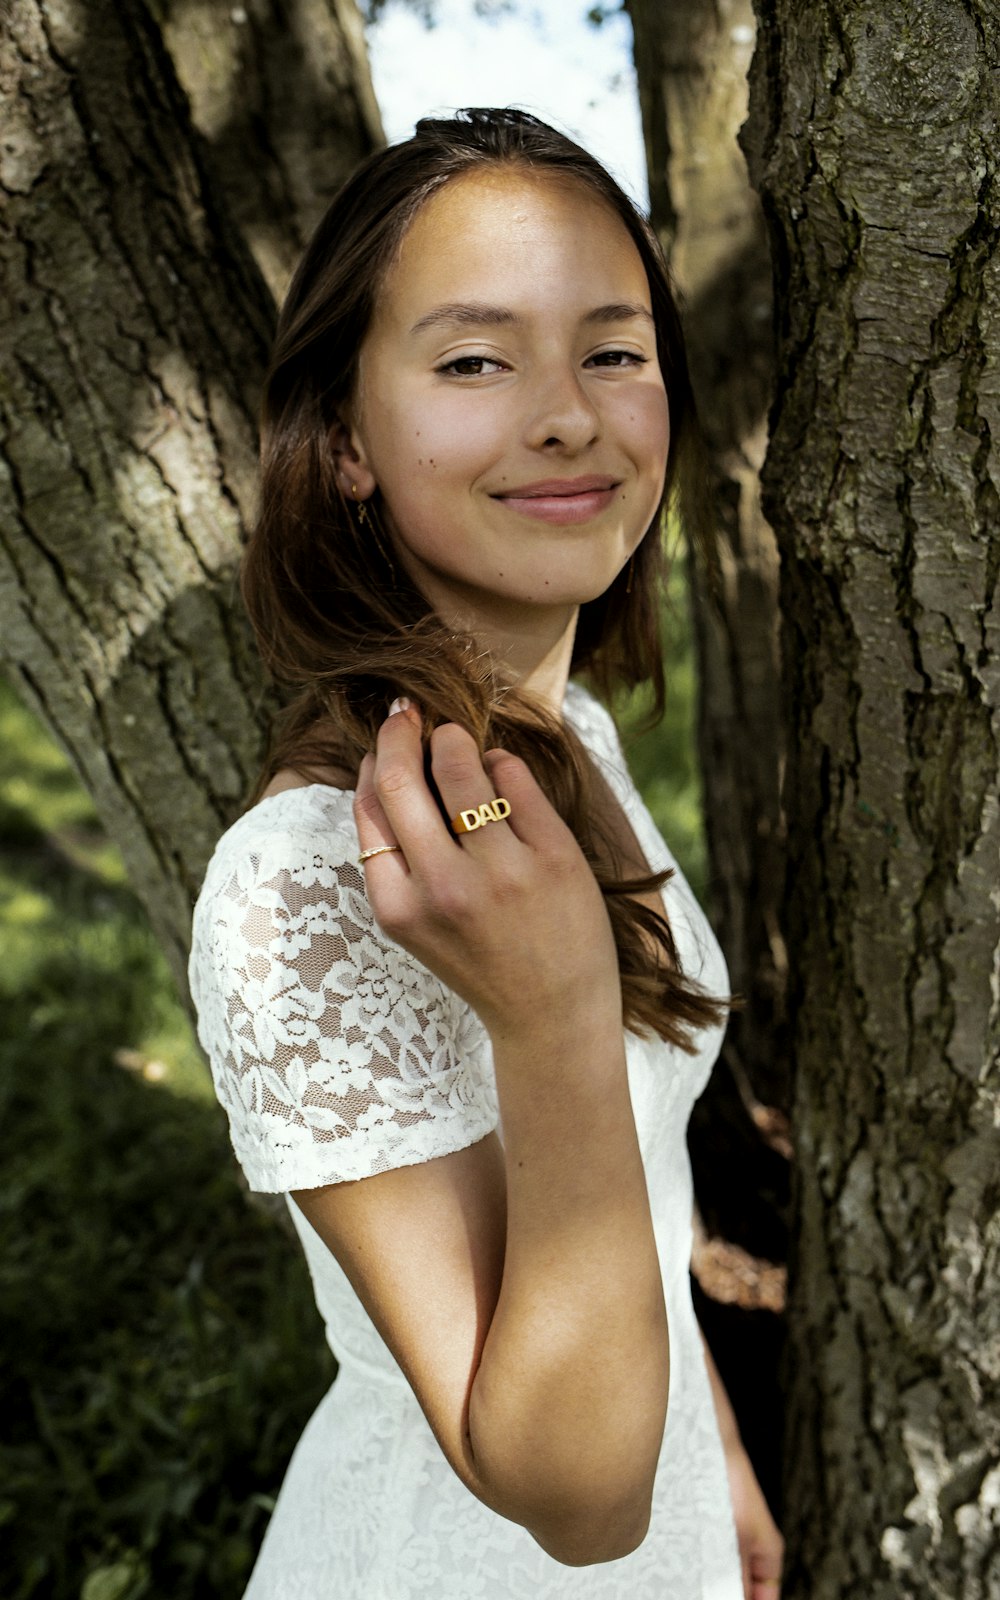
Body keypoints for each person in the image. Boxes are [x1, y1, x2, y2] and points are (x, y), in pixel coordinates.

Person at [189, 107, 784, 1599]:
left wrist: (708, 1447)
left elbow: (629, 1192)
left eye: (613, 349)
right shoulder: (304, 885)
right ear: (342, 446)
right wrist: (556, 1015)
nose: (569, 414)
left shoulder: (565, 728)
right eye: (472, 360)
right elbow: (572, 1508)